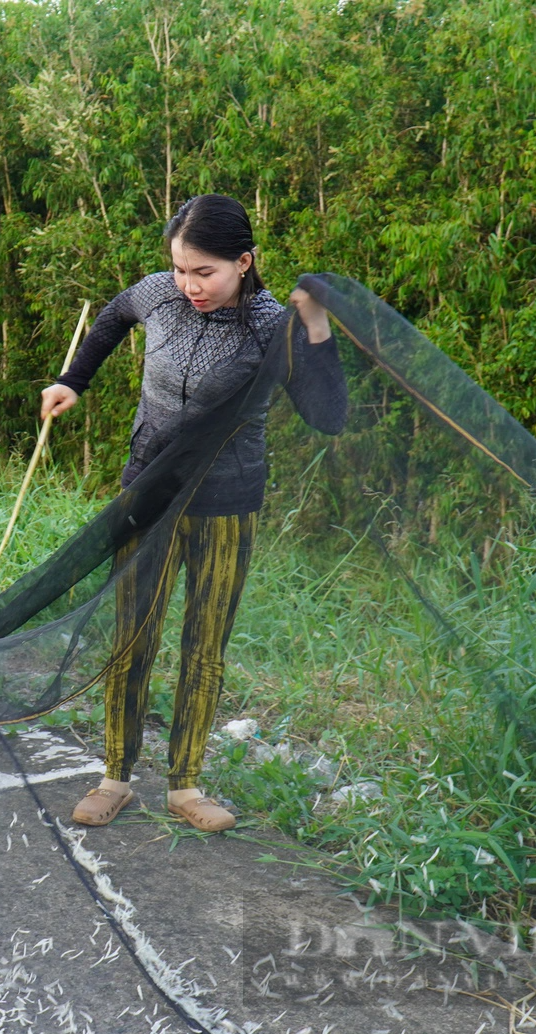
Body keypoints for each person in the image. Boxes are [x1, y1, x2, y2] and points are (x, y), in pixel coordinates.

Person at [39, 193, 348, 834]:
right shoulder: (160, 295)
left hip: (226, 503)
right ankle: (115, 778)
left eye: (203, 272)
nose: (189, 285)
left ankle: (185, 787)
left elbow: (328, 418)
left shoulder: (272, 327)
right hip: (147, 494)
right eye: (180, 269)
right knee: (132, 637)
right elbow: (113, 318)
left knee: (203, 647)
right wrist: (75, 379)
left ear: (243, 261)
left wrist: (316, 327)